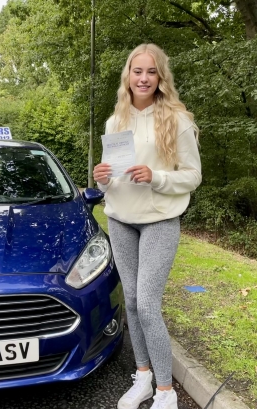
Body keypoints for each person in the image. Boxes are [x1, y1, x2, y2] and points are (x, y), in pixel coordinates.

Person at [93, 44, 201, 409]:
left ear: (160, 77)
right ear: (128, 75)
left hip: (159, 220)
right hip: (120, 218)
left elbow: (193, 176)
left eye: (151, 72)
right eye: (137, 71)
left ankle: (166, 393)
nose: (143, 78)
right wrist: (102, 178)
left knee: (149, 305)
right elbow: (112, 179)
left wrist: (155, 177)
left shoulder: (176, 119)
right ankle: (142, 376)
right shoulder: (115, 120)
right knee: (134, 303)